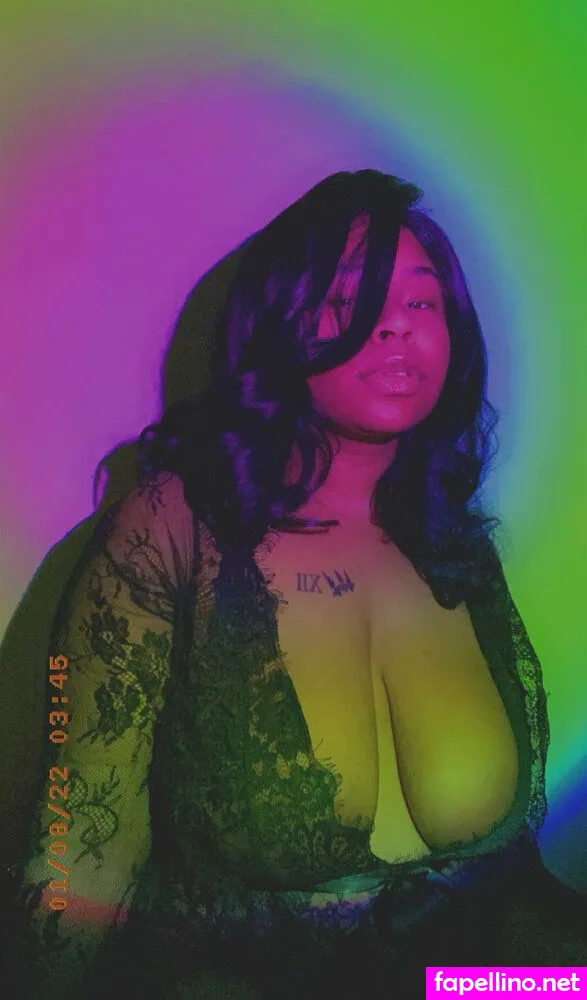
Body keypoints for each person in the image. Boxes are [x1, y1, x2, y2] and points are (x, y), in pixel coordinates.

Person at [3, 169, 585, 999]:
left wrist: (551, 986)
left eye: (422, 301)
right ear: (277, 327)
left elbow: (505, 938)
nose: (395, 326)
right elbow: (80, 845)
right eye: (348, 299)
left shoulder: (452, 542)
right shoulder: (173, 529)